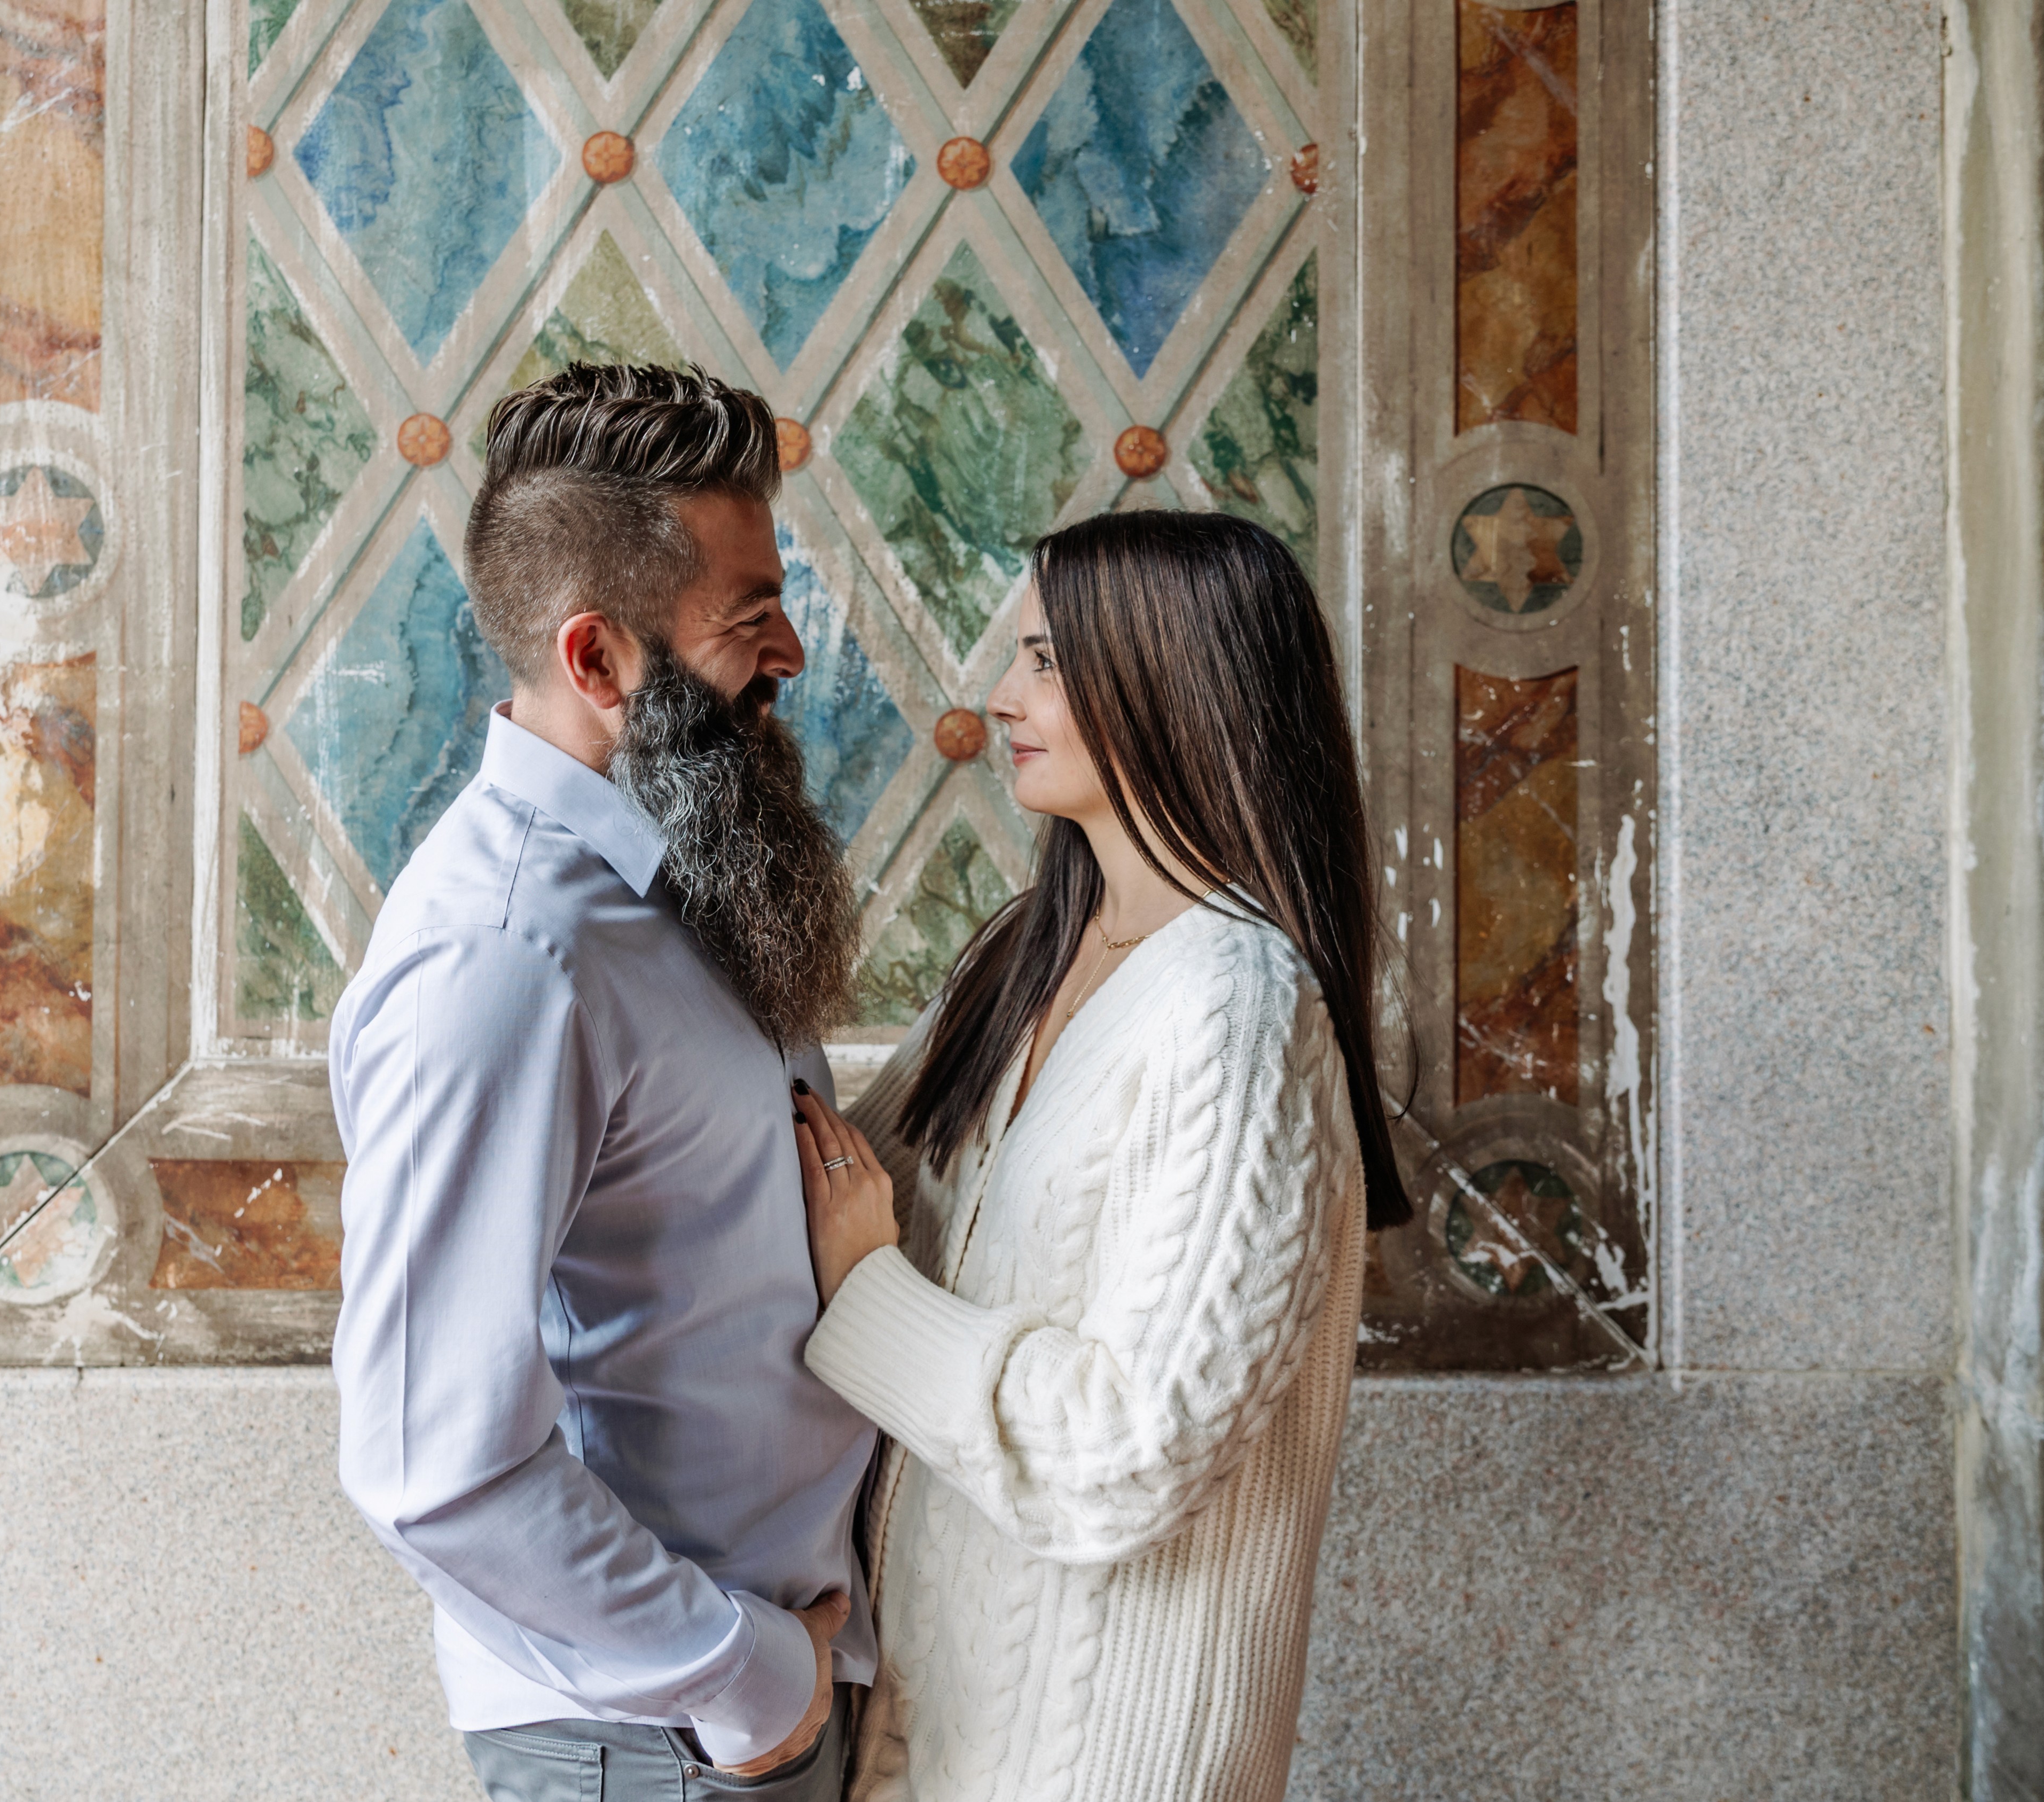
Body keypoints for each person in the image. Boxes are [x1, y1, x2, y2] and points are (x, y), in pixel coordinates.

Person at [791, 509, 1414, 1802]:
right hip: (920, 1732)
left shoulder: (1238, 1009)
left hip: (1099, 1766)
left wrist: (868, 1294)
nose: (1001, 696)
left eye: (1045, 661)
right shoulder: (1019, 958)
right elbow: (826, 1187)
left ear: (1166, 679)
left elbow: (1128, 1452)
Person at [328, 364, 877, 1800]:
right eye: (747, 618)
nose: (791, 654)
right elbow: (424, 1460)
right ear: (596, 658)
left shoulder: (675, 871)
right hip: (659, 1746)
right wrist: (749, 1680)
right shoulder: (508, 956)